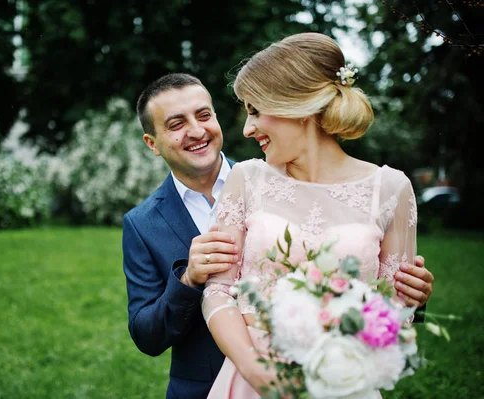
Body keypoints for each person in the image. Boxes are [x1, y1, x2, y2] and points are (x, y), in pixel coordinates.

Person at [123, 72, 433, 399]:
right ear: (152, 143)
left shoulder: (268, 178)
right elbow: (147, 336)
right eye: (176, 124)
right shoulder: (142, 224)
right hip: (211, 388)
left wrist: (411, 294)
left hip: (333, 378)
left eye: (204, 115)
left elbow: (360, 263)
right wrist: (187, 281)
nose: (197, 131)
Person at [201, 32, 434, 398]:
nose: (247, 130)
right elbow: (217, 290)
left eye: (255, 111)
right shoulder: (246, 179)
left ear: (297, 104)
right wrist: (259, 373)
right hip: (249, 384)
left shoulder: (391, 189)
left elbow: (397, 306)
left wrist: (413, 301)